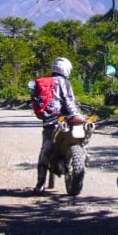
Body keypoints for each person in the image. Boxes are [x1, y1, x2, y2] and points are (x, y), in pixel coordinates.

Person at [34, 56, 81, 195]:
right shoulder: (64, 82)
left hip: (49, 121)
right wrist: (75, 115)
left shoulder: (48, 82)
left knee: (45, 152)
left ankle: (40, 185)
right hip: (64, 119)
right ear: (66, 69)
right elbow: (68, 101)